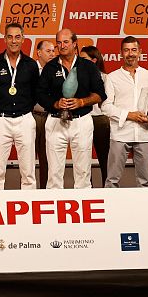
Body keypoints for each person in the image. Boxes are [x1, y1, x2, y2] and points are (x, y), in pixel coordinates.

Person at [36, 29, 106, 189]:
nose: (62, 46)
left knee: (83, 172)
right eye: (59, 43)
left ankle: (84, 209)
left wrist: (82, 102)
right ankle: (53, 209)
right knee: (54, 173)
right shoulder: (50, 67)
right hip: (55, 120)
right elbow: (39, 94)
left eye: (66, 42)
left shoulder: (88, 66)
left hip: (81, 121)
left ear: (75, 44)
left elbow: (100, 94)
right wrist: (55, 103)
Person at [0, 23, 39, 190]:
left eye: (17, 37)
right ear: (5, 39)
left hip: (25, 120)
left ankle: (29, 206)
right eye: (10, 37)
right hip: (0, 119)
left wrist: (25, 111)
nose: (14, 41)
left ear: (23, 39)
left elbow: (35, 92)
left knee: (28, 172)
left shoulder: (30, 64)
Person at [101, 36, 148, 188]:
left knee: (145, 181)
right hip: (120, 134)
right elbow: (106, 106)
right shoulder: (112, 77)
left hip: (144, 133)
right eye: (126, 50)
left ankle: (146, 211)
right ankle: (112, 210)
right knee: (112, 180)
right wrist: (129, 115)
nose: (130, 54)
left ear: (140, 52)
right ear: (121, 53)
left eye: (134, 50)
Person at [79, 45, 110, 187]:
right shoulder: (77, 77)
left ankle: (107, 188)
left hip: (100, 121)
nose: (80, 61)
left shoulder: (105, 77)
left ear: (93, 60)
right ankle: (87, 188)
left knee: (105, 158)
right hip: (83, 118)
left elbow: (107, 101)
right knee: (84, 158)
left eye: (83, 58)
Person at [33, 40, 56, 188]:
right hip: (33, 116)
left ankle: (45, 191)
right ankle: (29, 192)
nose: (52, 54)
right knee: (28, 157)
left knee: (48, 158)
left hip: (51, 117)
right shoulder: (29, 69)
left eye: (54, 51)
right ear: (39, 52)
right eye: (48, 51)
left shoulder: (56, 69)